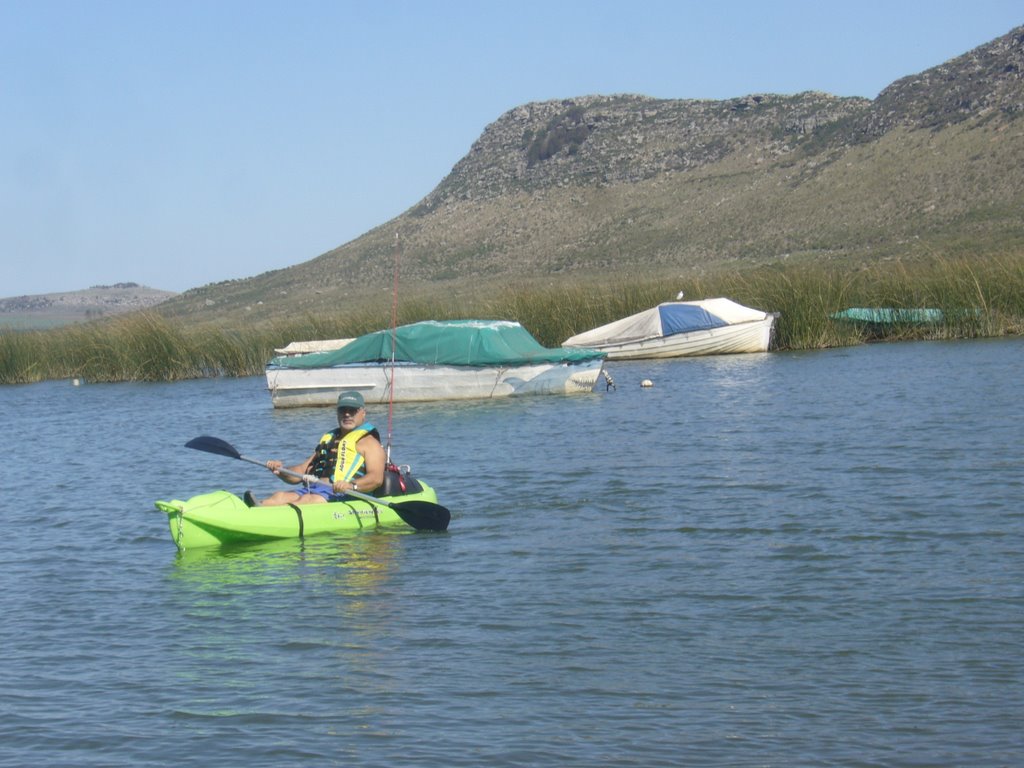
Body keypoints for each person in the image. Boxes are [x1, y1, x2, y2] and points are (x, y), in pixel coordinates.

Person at [245, 391, 386, 507]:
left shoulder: (369, 443)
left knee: (306, 500)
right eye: (343, 410)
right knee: (279, 496)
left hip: (347, 495)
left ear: (363, 413)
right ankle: (256, 509)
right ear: (337, 412)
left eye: (352, 410)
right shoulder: (330, 439)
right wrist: (280, 470)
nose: (347, 414)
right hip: (315, 490)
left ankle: (272, 517)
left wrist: (351, 486)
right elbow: (302, 471)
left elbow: (376, 478)